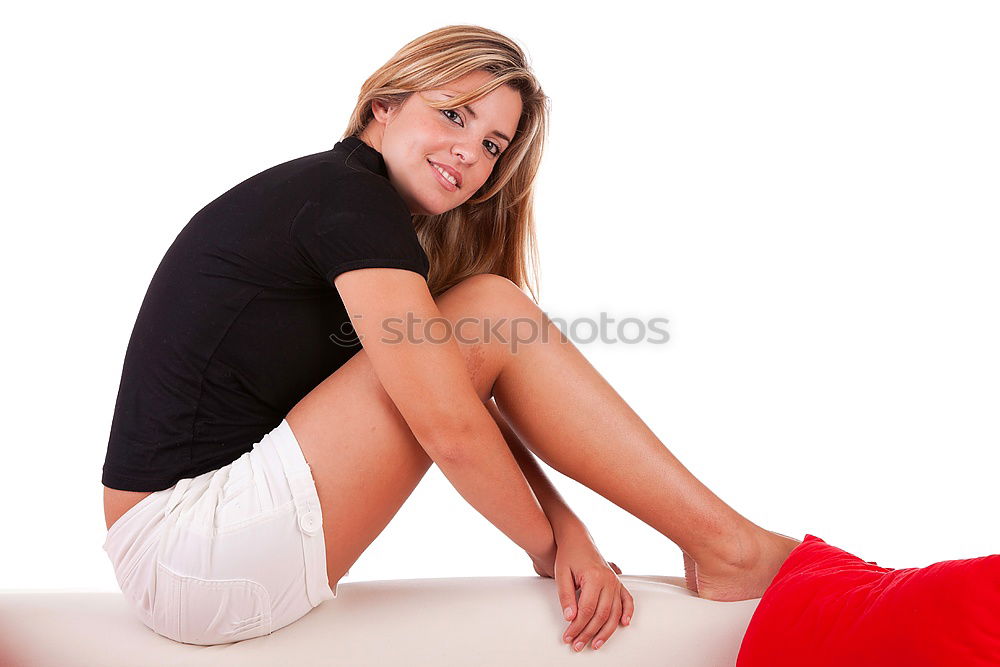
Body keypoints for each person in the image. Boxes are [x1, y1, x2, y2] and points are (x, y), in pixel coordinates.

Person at [101, 24, 802, 651]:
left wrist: (567, 524)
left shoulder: (348, 205)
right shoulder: (349, 199)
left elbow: (458, 400)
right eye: (453, 114)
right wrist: (552, 550)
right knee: (492, 308)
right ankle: (731, 547)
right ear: (385, 104)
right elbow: (449, 428)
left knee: (483, 314)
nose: (468, 152)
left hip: (193, 555)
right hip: (189, 544)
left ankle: (728, 544)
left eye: (492, 144)